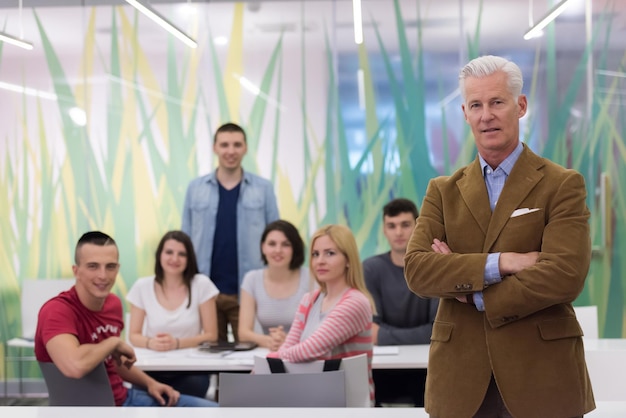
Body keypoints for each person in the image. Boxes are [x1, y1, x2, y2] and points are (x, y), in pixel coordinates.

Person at [404, 55, 594, 418]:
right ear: (464, 112)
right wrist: (503, 262)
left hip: (542, 375)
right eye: (476, 105)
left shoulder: (562, 184)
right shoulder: (442, 191)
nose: (486, 115)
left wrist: (472, 291)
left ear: (520, 106)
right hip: (460, 379)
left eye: (496, 102)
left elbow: (564, 275)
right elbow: (418, 270)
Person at [34, 231, 216, 407]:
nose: (103, 276)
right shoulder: (56, 311)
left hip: (124, 399)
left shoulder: (113, 304)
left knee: (217, 411)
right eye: (93, 266)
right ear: (76, 271)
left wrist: (150, 383)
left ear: (117, 269)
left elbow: (110, 361)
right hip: (90, 409)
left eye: (110, 266)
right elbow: (75, 366)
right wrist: (113, 343)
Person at [182, 122, 279, 342]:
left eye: (237, 145)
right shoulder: (195, 188)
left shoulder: (263, 188)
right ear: (215, 147)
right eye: (224, 145)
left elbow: (276, 236)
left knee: (250, 358)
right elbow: (185, 239)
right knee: (206, 360)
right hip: (205, 290)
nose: (231, 151)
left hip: (247, 292)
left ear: (245, 148)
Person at [268, 224, 375, 404]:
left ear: (348, 260)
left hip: (347, 402)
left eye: (330, 253)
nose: (320, 261)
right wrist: (276, 358)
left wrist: (270, 360)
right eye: (315, 254)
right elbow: (289, 346)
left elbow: (309, 349)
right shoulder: (309, 299)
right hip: (311, 395)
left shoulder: (355, 302)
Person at [363, 198, 438, 406]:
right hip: (382, 366)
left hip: (427, 365)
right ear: (384, 230)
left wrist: (384, 335)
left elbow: (436, 331)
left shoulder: (433, 268)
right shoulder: (370, 269)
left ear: (417, 226)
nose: (398, 232)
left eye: (405, 225)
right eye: (391, 226)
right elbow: (370, 330)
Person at [126, 230, 219, 398]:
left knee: (194, 386)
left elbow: (212, 335)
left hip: (191, 371)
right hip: (151, 369)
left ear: (189, 258)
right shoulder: (142, 286)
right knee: (141, 392)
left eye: (181, 254)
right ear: (159, 255)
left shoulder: (201, 284)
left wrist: (177, 343)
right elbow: (133, 335)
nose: (174, 259)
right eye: (169, 252)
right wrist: (150, 343)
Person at [238, 220, 311, 351]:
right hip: (269, 353)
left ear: (295, 248)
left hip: (303, 353)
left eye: (285, 244)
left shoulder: (311, 279)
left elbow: (320, 328)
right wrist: (271, 341)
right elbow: (243, 333)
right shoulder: (251, 279)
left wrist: (288, 340)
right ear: (263, 247)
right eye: (272, 244)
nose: (278, 250)